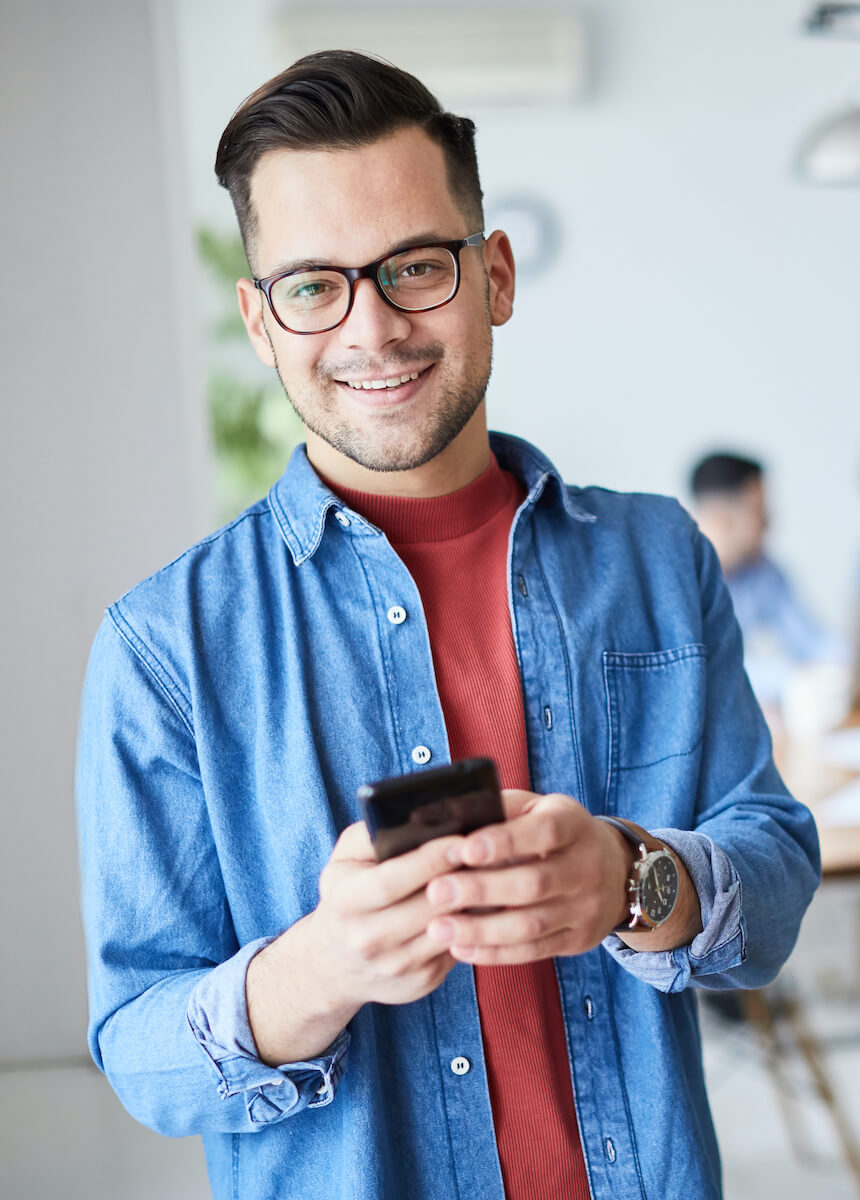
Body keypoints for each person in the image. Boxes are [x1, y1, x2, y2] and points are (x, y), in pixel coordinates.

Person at [76, 51, 820, 1200]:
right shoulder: (164, 648)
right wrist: (322, 966)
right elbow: (138, 1051)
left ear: (494, 276)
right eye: (312, 286)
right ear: (261, 321)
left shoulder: (657, 557)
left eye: (414, 267)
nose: (371, 328)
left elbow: (770, 876)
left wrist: (631, 879)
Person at [690, 451, 848, 709]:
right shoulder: (678, 586)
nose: (768, 525)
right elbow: (709, 673)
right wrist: (792, 679)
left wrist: (835, 671)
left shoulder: (766, 573)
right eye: (759, 512)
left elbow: (815, 640)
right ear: (722, 519)